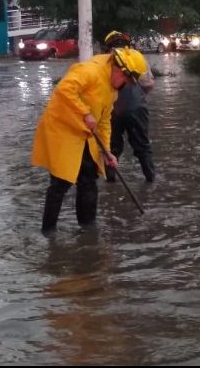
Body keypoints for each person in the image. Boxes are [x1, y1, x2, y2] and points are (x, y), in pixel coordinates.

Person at [32, 46, 149, 232]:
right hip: (63, 129)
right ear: (119, 69)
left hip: (85, 133)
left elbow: (104, 121)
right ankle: (48, 231)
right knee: (61, 182)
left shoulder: (113, 89)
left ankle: (88, 228)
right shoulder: (89, 71)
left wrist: (107, 151)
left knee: (89, 178)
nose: (125, 85)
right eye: (126, 80)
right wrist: (85, 113)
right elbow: (64, 89)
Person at [102, 31, 156, 183]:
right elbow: (148, 84)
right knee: (143, 146)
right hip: (137, 107)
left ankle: (110, 181)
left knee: (111, 146)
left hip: (112, 109)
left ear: (108, 45)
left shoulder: (104, 60)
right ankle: (150, 179)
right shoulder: (137, 57)